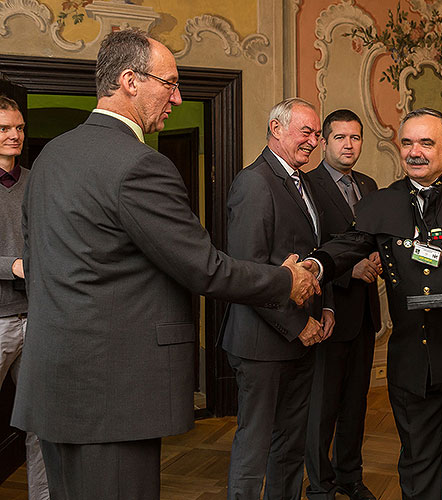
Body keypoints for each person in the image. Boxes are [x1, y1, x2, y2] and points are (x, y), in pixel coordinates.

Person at [12, 30, 319, 500]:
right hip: (113, 392)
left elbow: (38, 263)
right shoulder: (139, 165)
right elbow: (205, 268)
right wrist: (285, 279)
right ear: (130, 81)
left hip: (54, 383)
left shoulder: (51, 155)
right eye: (170, 83)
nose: (177, 97)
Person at [307, 108, 442, 499]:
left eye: (426, 143)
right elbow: (349, 244)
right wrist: (315, 264)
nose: (416, 152)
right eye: (407, 142)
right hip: (412, 363)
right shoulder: (382, 202)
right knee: (418, 468)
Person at [220, 97, 334, 500]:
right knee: (255, 445)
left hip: (303, 338)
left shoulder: (302, 182)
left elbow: (316, 251)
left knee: (290, 444)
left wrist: (325, 308)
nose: (314, 141)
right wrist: (296, 323)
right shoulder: (254, 182)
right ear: (276, 128)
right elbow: (246, 271)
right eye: (306, 132)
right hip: (262, 342)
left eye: (317, 134)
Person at [304, 109, 381, 500]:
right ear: (323, 141)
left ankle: (350, 476)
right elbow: (305, 251)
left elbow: (373, 238)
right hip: (329, 312)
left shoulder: (369, 185)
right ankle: (320, 485)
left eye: (355, 137)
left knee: (356, 404)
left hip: (365, 315)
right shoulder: (308, 185)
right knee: (323, 406)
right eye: (340, 137)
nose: (349, 145)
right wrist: (349, 272)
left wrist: (382, 257)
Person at [0, 96, 49, 500]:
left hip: (36, 316)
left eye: (18, 128)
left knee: (41, 422)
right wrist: (12, 266)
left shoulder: (35, 181)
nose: (14, 135)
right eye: (3, 129)